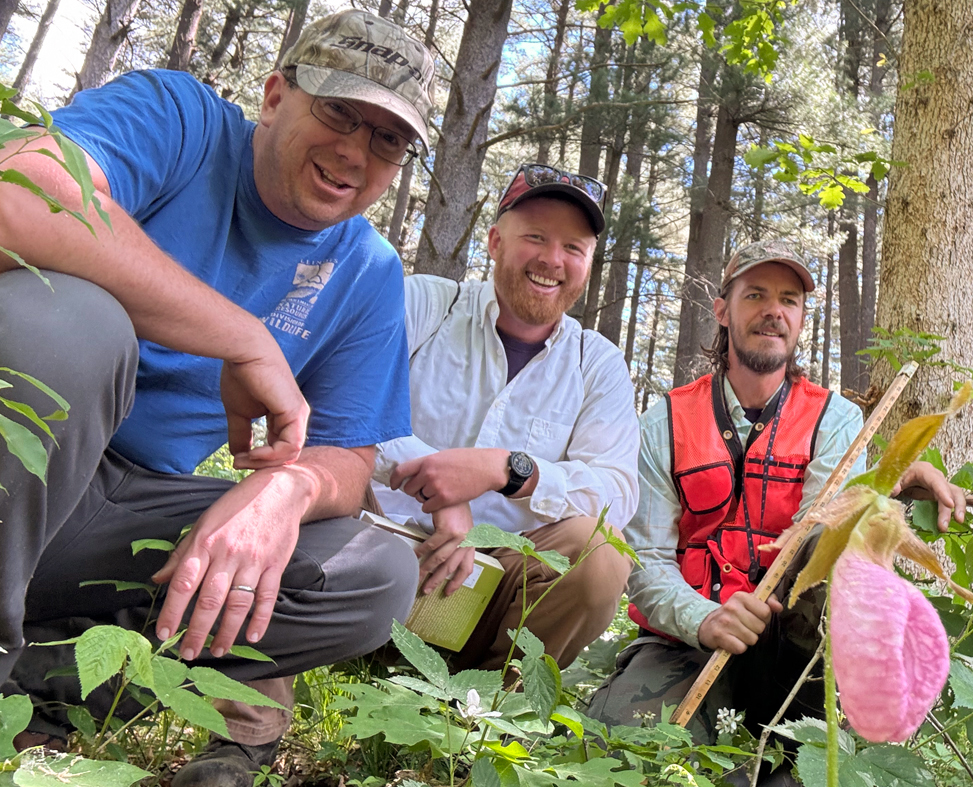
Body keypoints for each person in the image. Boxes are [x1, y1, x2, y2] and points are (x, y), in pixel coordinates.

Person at [0, 10, 432, 785]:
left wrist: (286, 490)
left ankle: (46, 688)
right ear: (274, 95)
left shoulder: (367, 271)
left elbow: (351, 456)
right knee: (80, 325)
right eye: (339, 112)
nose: (353, 152)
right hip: (27, 454)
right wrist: (242, 334)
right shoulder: (181, 121)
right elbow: (20, 191)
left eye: (387, 140)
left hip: (125, 510)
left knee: (377, 572)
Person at [586, 240, 973, 746]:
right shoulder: (665, 421)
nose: (774, 311)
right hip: (688, 638)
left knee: (833, 534)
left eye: (789, 299)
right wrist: (705, 619)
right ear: (723, 310)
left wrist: (886, 483)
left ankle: (811, 728)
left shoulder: (837, 420)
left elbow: (826, 526)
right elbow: (644, 560)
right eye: (756, 295)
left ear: (800, 319)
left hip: (794, 644)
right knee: (621, 746)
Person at [371, 162, 640, 673]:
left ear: (588, 264)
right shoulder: (424, 304)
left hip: (498, 589)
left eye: (573, 248)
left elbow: (617, 492)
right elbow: (347, 403)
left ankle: (492, 715)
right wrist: (442, 490)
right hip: (380, 556)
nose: (552, 260)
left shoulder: (596, 363)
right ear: (495, 241)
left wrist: (509, 469)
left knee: (599, 550)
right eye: (535, 237)